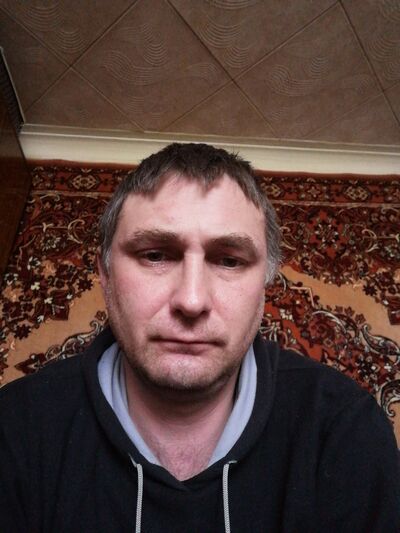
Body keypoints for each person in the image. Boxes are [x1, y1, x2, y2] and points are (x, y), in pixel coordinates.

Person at [0, 143, 399, 533]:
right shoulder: (15, 428)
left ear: (265, 286)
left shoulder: (346, 432)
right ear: (104, 276)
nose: (191, 301)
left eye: (229, 260)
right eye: (155, 255)